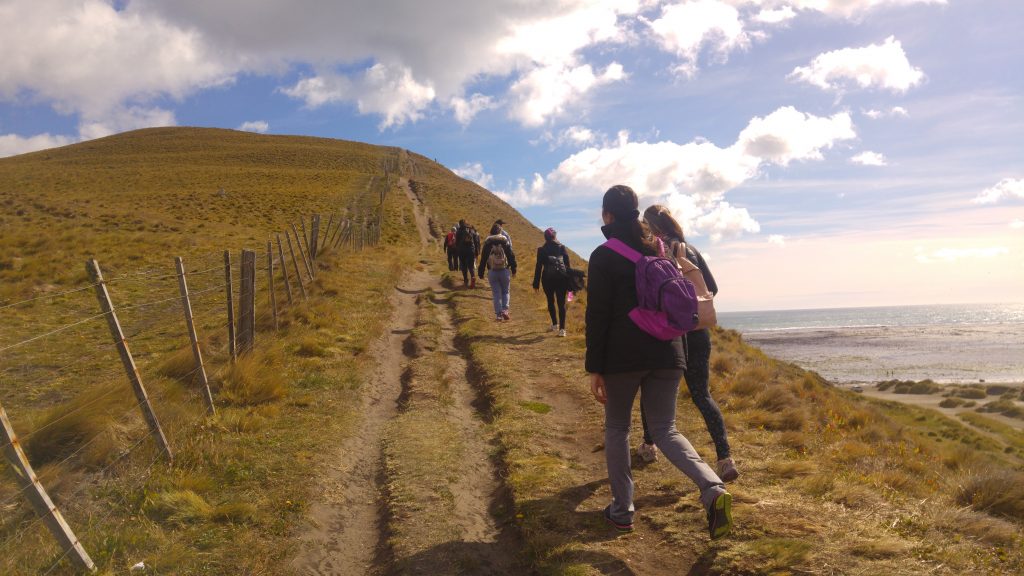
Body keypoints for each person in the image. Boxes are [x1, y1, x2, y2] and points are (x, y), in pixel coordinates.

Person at [586, 184, 732, 540]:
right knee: (666, 429)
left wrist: (595, 367)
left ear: (607, 216)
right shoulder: (660, 249)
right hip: (670, 351)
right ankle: (712, 488)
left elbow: (598, 315)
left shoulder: (604, 256)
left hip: (623, 356)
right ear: (636, 213)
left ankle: (622, 511)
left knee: (618, 428)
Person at [637, 205, 738, 482]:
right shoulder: (689, 249)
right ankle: (724, 458)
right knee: (701, 394)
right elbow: (712, 288)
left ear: (651, 226)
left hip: (669, 334)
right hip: (697, 332)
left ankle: (649, 445)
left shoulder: (654, 250)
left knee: (652, 390)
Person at [532, 227, 571, 337]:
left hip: (547, 279)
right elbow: (567, 265)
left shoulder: (541, 250)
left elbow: (538, 266)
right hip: (561, 279)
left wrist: (536, 283)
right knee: (561, 303)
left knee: (550, 301)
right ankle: (562, 329)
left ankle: (555, 324)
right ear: (554, 236)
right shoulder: (561, 247)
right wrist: (570, 282)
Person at [478, 224, 517, 321]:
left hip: (492, 271)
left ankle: (499, 315)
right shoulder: (505, 241)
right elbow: (511, 255)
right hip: (504, 270)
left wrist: (481, 272)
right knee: (505, 291)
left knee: (496, 293)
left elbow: (483, 259)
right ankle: (505, 310)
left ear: (491, 232)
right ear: (500, 232)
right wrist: (514, 268)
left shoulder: (487, 243)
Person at [455, 220, 477, 288]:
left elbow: (456, 242)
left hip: (462, 251)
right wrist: (476, 251)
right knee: (471, 266)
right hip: (471, 250)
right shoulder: (471, 230)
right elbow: (476, 241)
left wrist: (458, 250)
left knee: (464, 266)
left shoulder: (458, 231)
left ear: (460, 224)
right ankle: (473, 277)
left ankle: (465, 280)